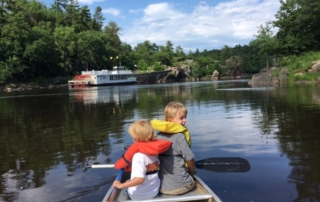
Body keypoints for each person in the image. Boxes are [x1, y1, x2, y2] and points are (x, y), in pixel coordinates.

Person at [112, 120, 172, 200]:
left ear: (135, 139)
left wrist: (121, 185)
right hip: (153, 192)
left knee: (125, 189)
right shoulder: (154, 153)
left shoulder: (138, 156)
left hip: (139, 195)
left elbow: (139, 179)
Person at [151, 101, 196, 195]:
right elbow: (190, 159)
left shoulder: (158, 136)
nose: (185, 120)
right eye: (181, 118)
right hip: (182, 186)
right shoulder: (180, 137)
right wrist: (192, 171)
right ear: (170, 120)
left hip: (162, 187)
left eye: (185, 117)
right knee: (192, 179)